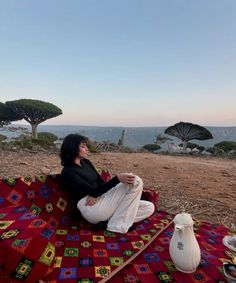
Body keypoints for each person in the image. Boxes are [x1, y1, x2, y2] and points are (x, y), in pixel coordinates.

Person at [60, 134, 155, 234]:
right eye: (83, 146)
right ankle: (117, 226)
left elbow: (101, 183)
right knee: (136, 181)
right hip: (90, 207)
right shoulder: (68, 172)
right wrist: (117, 179)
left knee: (149, 207)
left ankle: (108, 223)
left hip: (101, 198)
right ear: (73, 148)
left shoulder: (86, 162)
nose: (87, 149)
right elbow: (92, 191)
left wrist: (98, 194)